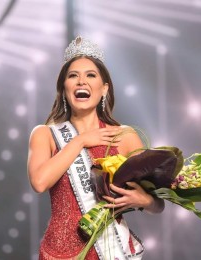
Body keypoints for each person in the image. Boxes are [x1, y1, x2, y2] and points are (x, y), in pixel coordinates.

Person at [27, 36, 165, 260]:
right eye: (73, 76)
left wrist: (145, 201)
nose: (81, 81)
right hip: (59, 253)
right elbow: (39, 182)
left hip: (111, 250)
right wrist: (80, 141)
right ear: (64, 88)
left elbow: (158, 204)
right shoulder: (45, 134)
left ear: (104, 88)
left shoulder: (124, 136)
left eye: (91, 75)